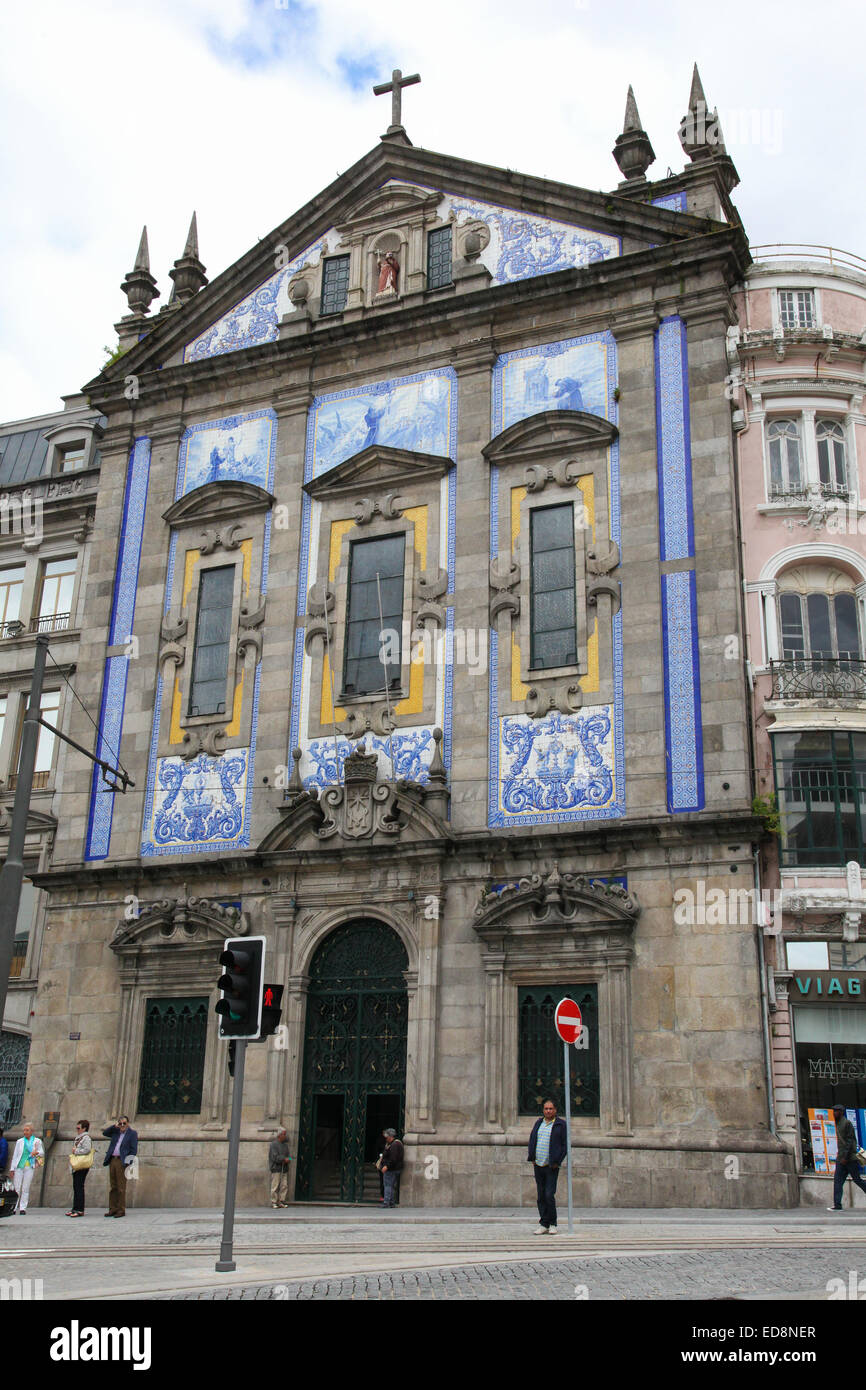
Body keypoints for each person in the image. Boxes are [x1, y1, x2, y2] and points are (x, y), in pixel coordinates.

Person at [527, 1098, 568, 1234]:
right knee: (541, 1195)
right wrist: (532, 1156)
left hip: (551, 1165)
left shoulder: (561, 1125)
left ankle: (553, 1223)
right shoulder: (539, 1123)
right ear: (543, 1110)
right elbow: (533, 1139)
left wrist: (558, 1160)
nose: (548, 1111)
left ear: (555, 1110)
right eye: (546, 1108)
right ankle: (543, 1223)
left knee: (549, 1194)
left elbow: (564, 1145)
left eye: (551, 1108)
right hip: (538, 1163)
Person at [827, 1104, 866, 1211]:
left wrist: (845, 1157)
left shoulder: (846, 1123)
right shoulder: (838, 1123)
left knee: (857, 1180)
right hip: (841, 1158)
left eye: (836, 1111)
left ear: (841, 1112)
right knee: (838, 1181)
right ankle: (837, 1205)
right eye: (833, 1111)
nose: (834, 1113)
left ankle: (837, 1204)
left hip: (849, 1159)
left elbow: (849, 1141)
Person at [102, 1115, 138, 1218]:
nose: (122, 1125)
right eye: (120, 1123)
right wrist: (114, 1126)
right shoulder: (115, 1132)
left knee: (121, 1187)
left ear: (128, 1124)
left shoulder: (132, 1134)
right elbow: (105, 1133)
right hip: (113, 1159)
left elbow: (134, 1149)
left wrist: (128, 1162)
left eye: (124, 1123)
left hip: (122, 1161)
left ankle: (121, 1210)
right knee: (113, 1186)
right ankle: (112, 1209)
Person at [11, 1122, 44, 1215]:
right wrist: (12, 1168)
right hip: (19, 1166)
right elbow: (15, 1155)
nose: (25, 1132)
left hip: (29, 1166)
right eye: (24, 1130)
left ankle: (22, 1208)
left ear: (32, 1131)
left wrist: (36, 1152)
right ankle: (14, 1207)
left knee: (25, 1187)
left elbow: (42, 1152)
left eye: (27, 1130)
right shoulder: (20, 1141)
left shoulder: (37, 1141)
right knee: (17, 1187)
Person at [67, 1120, 93, 1217]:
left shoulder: (86, 1138)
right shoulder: (79, 1137)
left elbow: (87, 1150)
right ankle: (75, 1208)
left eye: (78, 1128)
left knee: (79, 1187)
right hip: (77, 1165)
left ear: (84, 1128)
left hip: (82, 1165)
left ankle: (79, 1209)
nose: (77, 1130)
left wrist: (76, 1151)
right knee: (76, 1186)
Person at [268, 1127, 292, 1208]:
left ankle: (281, 1200)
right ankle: (274, 1201)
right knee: (275, 1185)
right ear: (280, 1135)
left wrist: (288, 1159)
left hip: (284, 1168)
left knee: (284, 1185)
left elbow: (289, 1156)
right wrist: (283, 1159)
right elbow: (274, 1157)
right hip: (276, 1168)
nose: (285, 1136)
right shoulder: (274, 1144)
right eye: (284, 1134)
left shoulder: (285, 1145)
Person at [380, 1128, 403, 1208]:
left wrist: (386, 1166)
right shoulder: (395, 1144)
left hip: (391, 1169)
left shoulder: (394, 1145)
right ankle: (391, 1202)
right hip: (394, 1168)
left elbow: (393, 1159)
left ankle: (386, 1202)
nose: (386, 1138)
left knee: (388, 1185)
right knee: (391, 1185)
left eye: (387, 1137)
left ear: (390, 1136)